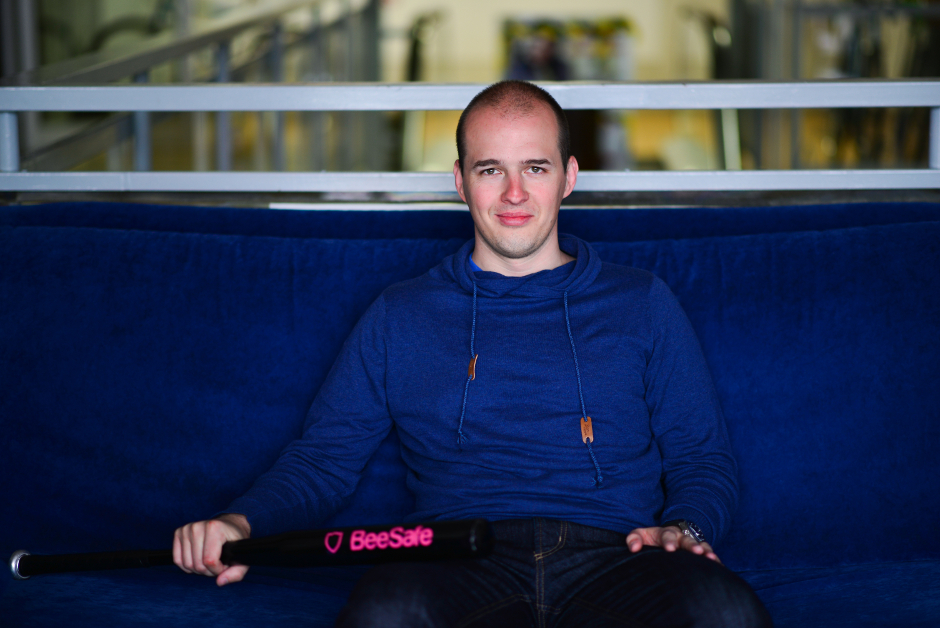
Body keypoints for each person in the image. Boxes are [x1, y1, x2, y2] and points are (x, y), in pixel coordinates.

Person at [174, 80, 772, 627]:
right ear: (460, 180)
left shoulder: (642, 301)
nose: (514, 193)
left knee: (726, 613)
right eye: (491, 169)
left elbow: (703, 458)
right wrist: (239, 523)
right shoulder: (400, 312)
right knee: (385, 614)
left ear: (568, 176)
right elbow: (324, 461)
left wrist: (685, 529)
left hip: (620, 557)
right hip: (456, 557)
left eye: (534, 167)